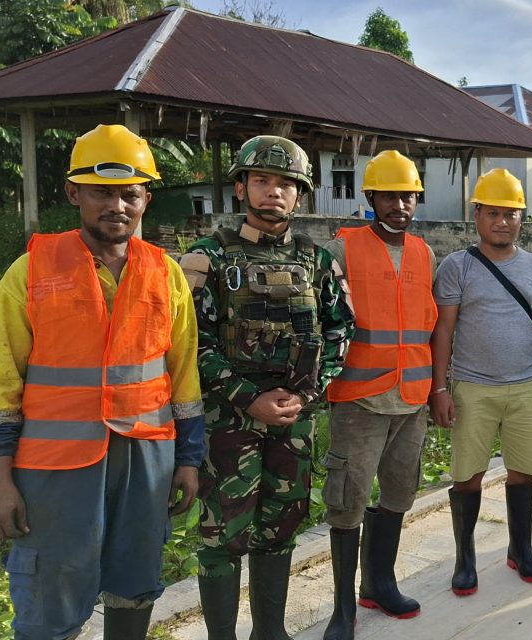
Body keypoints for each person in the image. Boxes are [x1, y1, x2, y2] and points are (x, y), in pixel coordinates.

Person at [0, 124, 204, 640]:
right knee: (53, 590)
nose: (117, 205)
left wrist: (188, 460)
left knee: (136, 579)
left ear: (145, 197)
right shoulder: (29, 273)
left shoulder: (166, 275)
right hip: (54, 469)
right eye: (102, 192)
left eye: (130, 193)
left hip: (145, 462)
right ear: (74, 192)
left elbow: (184, 378)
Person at [183, 135, 349, 639]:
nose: (272, 192)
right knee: (222, 534)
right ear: (241, 188)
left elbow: (341, 331)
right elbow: (190, 343)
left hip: (292, 420)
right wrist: (248, 398)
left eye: (285, 184)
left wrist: (307, 396)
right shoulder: (205, 259)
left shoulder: (318, 262)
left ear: (300, 195)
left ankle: (270, 631)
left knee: (281, 528)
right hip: (229, 423)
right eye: (261, 181)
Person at [316, 150, 432, 636]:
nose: (399, 204)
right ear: (371, 198)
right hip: (361, 399)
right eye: (389, 195)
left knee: (401, 491)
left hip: (413, 396)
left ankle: (379, 583)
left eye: (407, 196)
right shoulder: (342, 250)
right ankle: (343, 609)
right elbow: (322, 322)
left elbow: (431, 324)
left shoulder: (425, 252)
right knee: (348, 500)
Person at [430, 168, 532, 594]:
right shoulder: (457, 266)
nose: (502, 221)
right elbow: (444, 331)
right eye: (492, 213)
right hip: (472, 388)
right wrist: (440, 389)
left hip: (526, 385)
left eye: (511, 213)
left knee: (523, 472)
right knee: (467, 475)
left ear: (523, 217)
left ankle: (520, 549)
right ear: (477, 216)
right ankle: (465, 558)